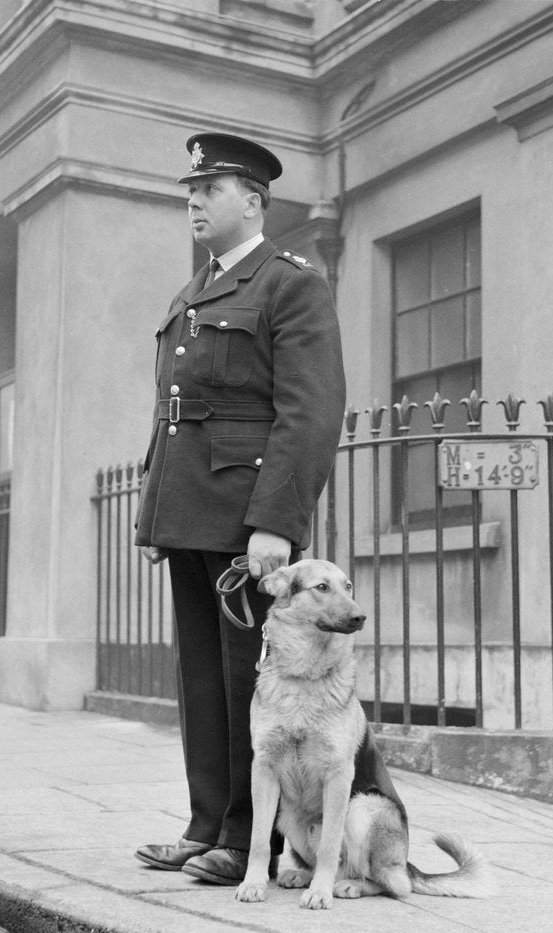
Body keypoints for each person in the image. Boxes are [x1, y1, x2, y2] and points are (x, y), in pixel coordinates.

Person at [132, 132, 346, 884]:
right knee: (200, 677)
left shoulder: (291, 283)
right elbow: (172, 413)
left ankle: (252, 837)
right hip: (189, 512)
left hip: (245, 519)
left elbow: (310, 413)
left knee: (246, 682)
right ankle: (206, 823)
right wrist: (153, 515)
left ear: (253, 202)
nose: (194, 199)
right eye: (192, 190)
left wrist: (275, 524)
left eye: (211, 190)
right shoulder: (191, 295)